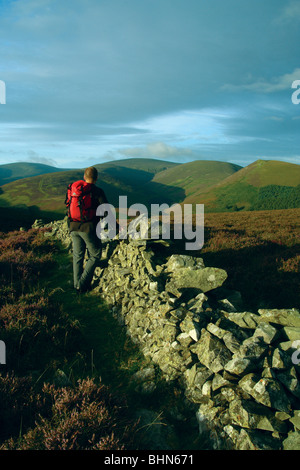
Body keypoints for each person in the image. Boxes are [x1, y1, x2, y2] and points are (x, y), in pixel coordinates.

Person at [67, 166, 115, 293]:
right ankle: (82, 285)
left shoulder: (75, 190)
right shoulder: (97, 191)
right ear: (97, 178)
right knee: (95, 255)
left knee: (78, 256)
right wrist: (115, 227)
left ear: (84, 176)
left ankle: (76, 284)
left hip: (73, 226)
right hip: (88, 228)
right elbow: (107, 211)